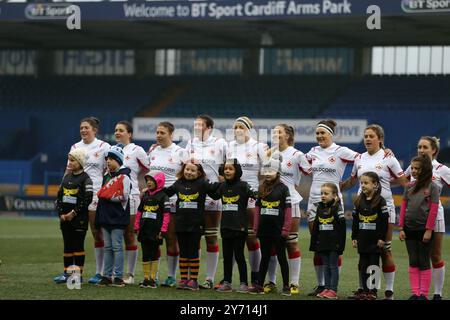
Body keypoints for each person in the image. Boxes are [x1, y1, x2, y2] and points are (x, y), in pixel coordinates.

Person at [341, 124, 408, 300]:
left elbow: (404, 183)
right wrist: (338, 186)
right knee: (364, 250)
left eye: (371, 136)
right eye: (366, 136)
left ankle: (388, 290)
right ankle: (363, 288)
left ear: (380, 139)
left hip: (383, 211)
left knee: (384, 249)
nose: (368, 139)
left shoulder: (389, 158)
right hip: (363, 210)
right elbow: (353, 180)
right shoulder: (359, 158)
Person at [305, 119, 359, 296]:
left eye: (323, 133)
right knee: (319, 245)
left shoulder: (340, 151)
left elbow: (361, 159)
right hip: (314, 203)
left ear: (331, 134)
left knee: (333, 246)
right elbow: (300, 165)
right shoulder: (313, 152)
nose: (320, 136)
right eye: (318, 133)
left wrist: (349, 182)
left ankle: (332, 287)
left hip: (334, 204)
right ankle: (322, 285)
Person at [264, 124, 311, 295]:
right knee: (270, 245)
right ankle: (271, 281)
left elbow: (311, 170)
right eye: (273, 131)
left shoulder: (297, 155)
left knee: (291, 243)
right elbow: (265, 177)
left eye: (279, 132)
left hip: (291, 201)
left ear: (288, 135)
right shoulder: (269, 153)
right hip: (270, 202)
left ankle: (294, 282)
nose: (275, 134)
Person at [66, 117, 111, 284]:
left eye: (86, 127)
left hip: (95, 195)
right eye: (81, 128)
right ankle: (70, 273)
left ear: (94, 130)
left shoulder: (104, 147)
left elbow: (110, 170)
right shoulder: (75, 147)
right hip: (75, 195)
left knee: (96, 233)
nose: (83, 130)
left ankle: (101, 272)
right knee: (73, 234)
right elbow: (68, 170)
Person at [404, 136, 449, 300]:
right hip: (416, 219)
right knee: (417, 257)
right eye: (419, 147)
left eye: (425, 147)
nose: (421, 150)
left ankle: (437, 293)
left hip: (435, 217)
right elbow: (400, 180)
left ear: (434, 150)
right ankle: (418, 293)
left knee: (435, 255)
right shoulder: (412, 167)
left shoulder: (442, 169)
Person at [185, 115, 227, 289]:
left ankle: (209, 278)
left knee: (211, 237)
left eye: (200, 125)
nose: (196, 127)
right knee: (193, 238)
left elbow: (227, 167)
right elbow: (186, 167)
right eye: (195, 124)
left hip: (211, 197)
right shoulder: (190, 143)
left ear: (209, 127)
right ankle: (190, 277)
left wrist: (223, 186)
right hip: (193, 197)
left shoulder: (220, 143)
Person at [164, 160, 219, 291]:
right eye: (187, 169)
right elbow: (167, 192)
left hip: (196, 224)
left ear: (199, 173)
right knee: (183, 252)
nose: (189, 172)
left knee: (193, 252)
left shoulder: (203, 183)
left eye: (193, 170)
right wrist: (153, 189)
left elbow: (215, 194)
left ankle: (193, 280)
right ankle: (184, 279)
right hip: (181, 223)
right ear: (183, 170)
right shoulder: (178, 183)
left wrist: (224, 184)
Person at [225, 116, 267, 287]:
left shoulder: (259, 146)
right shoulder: (230, 147)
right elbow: (226, 172)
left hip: (250, 198)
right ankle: (228, 278)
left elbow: (268, 171)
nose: (237, 130)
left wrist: (261, 193)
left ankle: (255, 276)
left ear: (249, 129)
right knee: (231, 237)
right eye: (235, 127)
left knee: (251, 238)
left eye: (241, 127)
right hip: (232, 197)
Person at [148, 121, 187, 287]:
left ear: (171, 135)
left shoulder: (180, 152)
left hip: (171, 201)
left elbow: (188, 174)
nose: (158, 135)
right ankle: (153, 275)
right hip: (154, 202)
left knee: (171, 238)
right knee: (153, 239)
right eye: (157, 132)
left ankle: (171, 276)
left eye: (162, 133)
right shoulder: (152, 151)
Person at [249, 153, 292, 296]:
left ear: (277, 172)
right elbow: (257, 210)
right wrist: (256, 228)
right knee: (265, 257)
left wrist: (285, 229)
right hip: (264, 230)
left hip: (279, 231)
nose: (267, 173)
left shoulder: (283, 189)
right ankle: (259, 285)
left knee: (281, 258)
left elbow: (288, 211)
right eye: (265, 171)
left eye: (271, 171)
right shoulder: (261, 188)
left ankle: (286, 286)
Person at [114, 120, 151, 284]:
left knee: (129, 234)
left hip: (132, 197)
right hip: (113, 198)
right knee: (115, 235)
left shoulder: (137, 150)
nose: (117, 133)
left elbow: (150, 170)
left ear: (129, 134)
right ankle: (114, 272)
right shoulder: (112, 150)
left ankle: (129, 274)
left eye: (121, 130)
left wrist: (144, 187)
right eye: (116, 130)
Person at [399, 155, 440, 300]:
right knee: (413, 260)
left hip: (424, 231)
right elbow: (404, 207)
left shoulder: (433, 187)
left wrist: (429, 230)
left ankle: (424, 294)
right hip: (409, 229)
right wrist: (401, 227)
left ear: (426, 170)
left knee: (423, 261)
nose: (414, 171)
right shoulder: (409, 187)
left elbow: (434, 210)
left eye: (417, 168)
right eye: (412, 168)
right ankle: (415, 293)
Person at [212, 159, 256, 293]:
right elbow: (213, 195)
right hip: (225, 226)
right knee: (227, 256)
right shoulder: (222, 186)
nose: (227, 171)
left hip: (240, 227)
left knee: (239, 255)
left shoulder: (243, 186)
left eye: (230, 169)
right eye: (225, 169)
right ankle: (227, 282)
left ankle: (243, 283)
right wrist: (201, 186)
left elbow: (255, 195)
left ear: (236, 171)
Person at [53, 148, 93, 284]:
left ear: (80, 162)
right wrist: (61, 214)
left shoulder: (86, 179)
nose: (69, 163)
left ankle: (78, 275)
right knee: (67, 247)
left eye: (72, 160)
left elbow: (88, 199)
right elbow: (59, 197)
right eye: (69, 160)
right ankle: (67, 274)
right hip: (65, 220)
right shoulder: (67, 177)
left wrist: (73, 213)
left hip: (79, 220)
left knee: (78, 246)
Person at [95, 145, 131, 287]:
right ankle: (106, 276)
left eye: (111, 159)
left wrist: (107, 196)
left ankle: (118, 276)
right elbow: (103, 194)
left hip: (117, 217)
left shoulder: (124, 176)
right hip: (105, 216)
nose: (108, 161)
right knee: (108, 247)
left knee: (116, 247)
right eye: (107, 159)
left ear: (118, 160)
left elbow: (124, 196)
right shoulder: (106, 176)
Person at [351, 172, 389, 300]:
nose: (363, 185)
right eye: (362, 183)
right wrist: (354, 237)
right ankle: (364, 291)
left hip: (375, 241)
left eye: (366, 183)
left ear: (375, 184)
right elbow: (355, 221)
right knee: (363, 265)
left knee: (374, 266)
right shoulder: (358, 200)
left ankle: (373, 291)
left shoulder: (380, 201)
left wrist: (382, 238)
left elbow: (384, 222)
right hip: (362, 240)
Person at [134, 171, 171, 289]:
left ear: (158, 182)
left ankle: (153, 279)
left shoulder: (163, 196)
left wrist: (163, 230)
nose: (149, 182)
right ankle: (145, 278)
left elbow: (166, 214)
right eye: (147, 180)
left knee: (154, 253)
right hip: (144, 230)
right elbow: (140, 212)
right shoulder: (145, 196)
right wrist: (136, 226)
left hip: (155, 231)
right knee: (145, 253)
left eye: (151, 180)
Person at [309, 183, 346, 299]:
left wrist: (341, 246)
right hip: (323, 244)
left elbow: (342, 228)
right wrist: (314, 244)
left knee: (333, 266)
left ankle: (333, 290)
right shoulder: (319, 207)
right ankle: (326, 288)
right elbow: (316, 227)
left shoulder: (337, 208)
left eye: (326, 193)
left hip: (334, 244)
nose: (323, 196)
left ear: (334, 195)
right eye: (321, 193)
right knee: (325, 266)